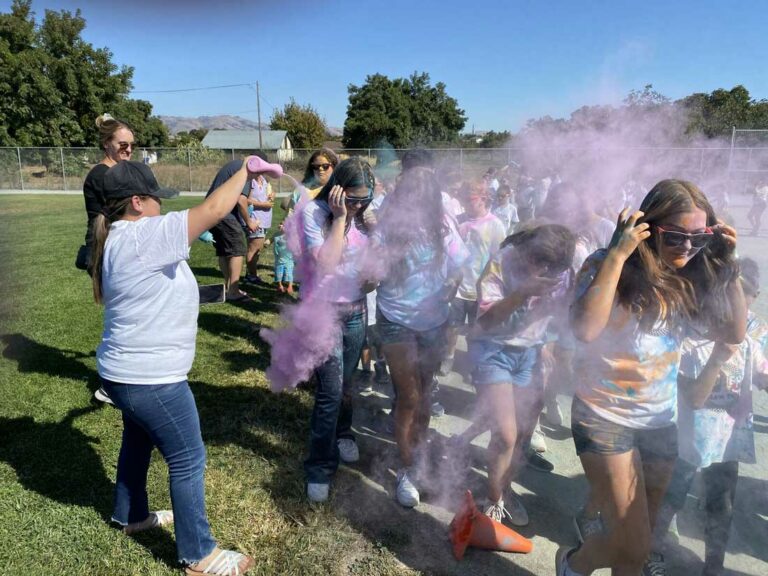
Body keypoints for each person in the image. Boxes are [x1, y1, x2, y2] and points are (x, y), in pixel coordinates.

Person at [557, 179, 746, 576]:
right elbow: (586, 330)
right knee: (635, 542)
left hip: (661, 421)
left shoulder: (696, 270)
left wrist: (728, 266)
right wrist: (617, 256)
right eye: (675, 237)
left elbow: (733, 334)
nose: (687, 248)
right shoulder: (605, 262)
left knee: (637, 549)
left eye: (699, 238)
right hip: (603, 417)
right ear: (649, 228)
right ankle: (573, 565)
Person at [91, 159, 260, 575]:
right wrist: (246, 171)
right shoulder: (145, 233)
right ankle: (198, 555)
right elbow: (216, 209)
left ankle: (130, 516)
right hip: (152, 380)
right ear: (136, 202)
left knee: (137, 439)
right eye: (154, 200)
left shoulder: (116, 235)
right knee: (187, 457)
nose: (160, 208)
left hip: (123, 374)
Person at [649, 258, 767, 576]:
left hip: (728, 440)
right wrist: (717, 358)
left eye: (745, 300)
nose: (737, 312)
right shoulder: (689, 339)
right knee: (670, 498)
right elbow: (695, 398)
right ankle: (649, 552)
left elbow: (763, 374)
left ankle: (713, 566)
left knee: (721, 504)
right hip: (687, 439)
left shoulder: (752, 336)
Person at [466, 224, 576, 526]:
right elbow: (487, 320)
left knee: (524, 435)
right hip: (493, 350)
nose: (544, 271)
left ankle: (505, 489)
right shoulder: (502, 262)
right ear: (528, 251)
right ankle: (493, 500)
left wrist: (549, 346)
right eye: (538, 262)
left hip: (532, 352)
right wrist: (523, 292)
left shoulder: (562, 271)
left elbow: (561, 313)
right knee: (506, 433)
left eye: (553, 267)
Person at [373, 166, 469, 508]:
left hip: (433, 323)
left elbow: (463, 263)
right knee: (410, 396)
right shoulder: (387, 227)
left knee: (426, 395)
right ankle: (408, 468)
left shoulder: (443, 227)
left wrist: (453, 285)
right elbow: (372, 270)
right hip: (396, 319)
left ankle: (420, 451)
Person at [300, 157, 376, 503]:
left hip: (356, 309)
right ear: (338, 191)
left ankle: (344, 431)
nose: (359, 206)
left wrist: (375, 242)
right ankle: (319, 465)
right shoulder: (314, 214)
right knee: (329, 391)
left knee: (346, 384)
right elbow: (327, 264)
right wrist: (342, 219)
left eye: (365, 200)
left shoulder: (367, 218)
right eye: (353, 199)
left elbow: (376, 267)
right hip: (325, 312)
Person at [80, 113, 136, 406]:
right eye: (122, 144)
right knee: (121, 319)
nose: (128, 150)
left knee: (125, 315)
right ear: (107, 144)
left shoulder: (115, 171)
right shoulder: (104, 175)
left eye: (132, 146)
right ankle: (109, 384)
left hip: (115, 247)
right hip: (107, 249)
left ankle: (117, 379)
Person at [441, 182, 506, 376]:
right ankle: (448, 357)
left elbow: (500, 257)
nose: (465, 203)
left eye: (470, 199)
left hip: (480, 287)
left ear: (484, 199)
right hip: (457, 286)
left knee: (475, 330)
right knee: (452, 326)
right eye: (463, 199)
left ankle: (472, 364)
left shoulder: (495, 224)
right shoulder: (458, 221)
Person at [206, 156, 281, 301]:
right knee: (237, 250)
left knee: (224, 251)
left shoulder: (235, 165)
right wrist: (249, 222)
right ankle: (233, 292)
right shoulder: (245, 169)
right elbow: (241, 200)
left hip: (212, 209)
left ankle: (229, 288)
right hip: (224, 212)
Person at [241, 168, 274, 285]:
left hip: (264, 219)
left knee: (257, 249)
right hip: (255, 219)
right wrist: (263, 204)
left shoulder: (265, 180)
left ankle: (249, 274)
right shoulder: (249, 181)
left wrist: (271, 196)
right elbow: (244, 199)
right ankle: (251, 276)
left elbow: (268, 195)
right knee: (253, 249)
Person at [273, 222, 295, 295]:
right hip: (278, 259)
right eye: (280, 224)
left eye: (283, 225)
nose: (280, 226)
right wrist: (267, 242)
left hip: (288, 259)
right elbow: (271, 239)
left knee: (289, 272)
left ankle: (290, 286)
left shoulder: (290, 235)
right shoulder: (276, 234)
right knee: (278, 273)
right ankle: (280, 286)